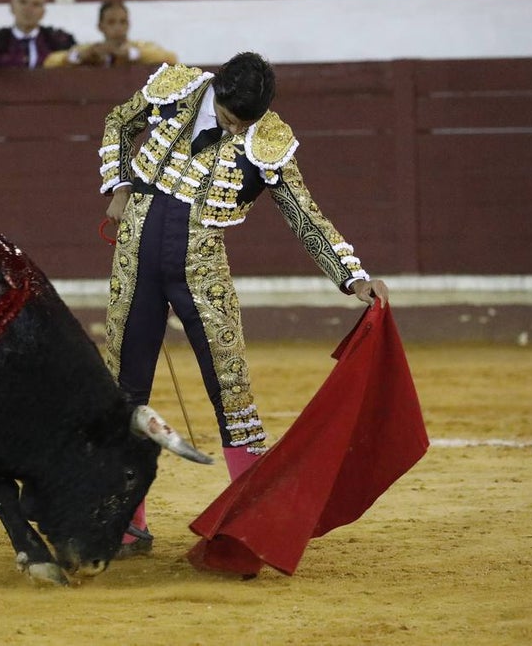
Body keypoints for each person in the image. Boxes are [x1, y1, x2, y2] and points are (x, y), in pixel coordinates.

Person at [98, 51, 389, 557]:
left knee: (232, 387)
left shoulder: (267, 138)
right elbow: (120, 121)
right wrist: (120, 182)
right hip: (137, 254)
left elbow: (304, 214)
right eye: (231, 118)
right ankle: (125, 520)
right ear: (218, 92)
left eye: (245, 123)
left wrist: (353, 276)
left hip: (201, 265)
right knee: (124, 386)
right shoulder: (178, 89)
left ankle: (253, 521)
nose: (236, 130)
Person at [44, 0, 177, 68]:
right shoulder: (91, 50)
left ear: (128, 25)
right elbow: (49, 62)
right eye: (111, 22)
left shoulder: (138, 48)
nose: (118, 27)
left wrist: (132, 54)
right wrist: (82, 56)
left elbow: (171, 59)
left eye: (122, 22)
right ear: (100, 26)